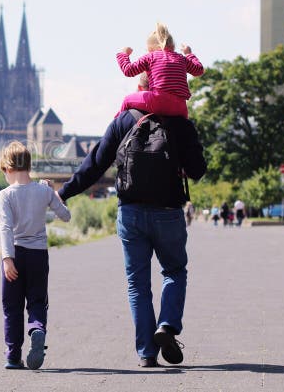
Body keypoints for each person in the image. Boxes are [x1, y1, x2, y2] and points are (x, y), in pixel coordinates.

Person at [58, 76, 207, 368]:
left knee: (137, 284)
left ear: (141, 89)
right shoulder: (180, 123)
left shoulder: (124, 119)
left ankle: (146, 353)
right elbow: (197, 170)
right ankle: (167, 326)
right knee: (174, 271)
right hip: (168, 212)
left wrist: (64, 192)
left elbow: (94, 165)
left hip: (131, 213)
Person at [0, 141, 71, 370]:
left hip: (15, 254)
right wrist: (51, 192)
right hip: (38, 255)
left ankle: (12, 356)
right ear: (28, 166)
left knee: (12, 306)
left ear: (8, 168)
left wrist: (7, 259)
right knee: (38, 300)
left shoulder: (5, 195)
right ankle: (37, 328)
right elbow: (65, 216)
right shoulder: (43, 191)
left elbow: (5, 228)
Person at [115, 22, 204, 118]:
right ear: (173, 45)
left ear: (150, 48)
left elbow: (128, 71)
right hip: (180, 107)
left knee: (127, 100)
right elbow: (199, 70)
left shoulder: (150, 56)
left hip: (158, 101)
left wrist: (123, 55)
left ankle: (117, 127)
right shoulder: (182, 58)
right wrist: (189, 54)